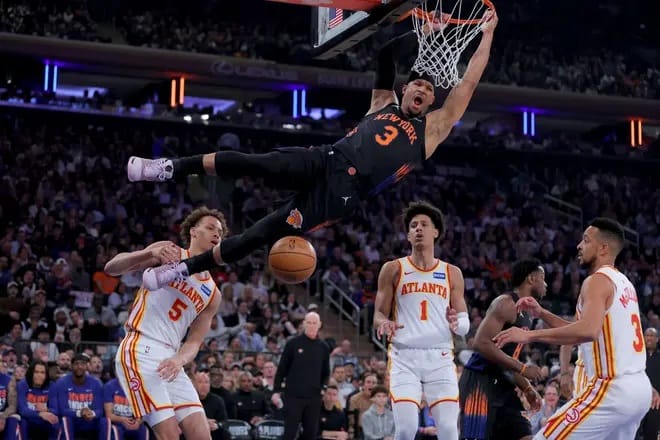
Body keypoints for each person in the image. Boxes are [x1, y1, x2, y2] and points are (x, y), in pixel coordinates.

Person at [124, 11, 499, 291]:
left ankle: (182, 270)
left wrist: (487, 35)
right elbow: (385, 55)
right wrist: (420, 33)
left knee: (258, 234)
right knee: (252, 163)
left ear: (432, 101)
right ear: (406, 89)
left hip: (342, 194)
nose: (422, 89)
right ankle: (167, 168)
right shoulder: (382, 102)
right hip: (327, 156)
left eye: (429, 90)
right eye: (417, 84)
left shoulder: (433, 129)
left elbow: (468, 83)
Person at [494, 218, 654, 440]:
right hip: (639, 388)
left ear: (603, 248)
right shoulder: (624, 282)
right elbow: (580, 330)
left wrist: (529, 335)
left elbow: (586, 331)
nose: (579, 245)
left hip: (612, 389)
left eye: (586, 240)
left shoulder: (596, 281)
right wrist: (542, 313)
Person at [104, 206, 225, 440]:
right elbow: (112, 268)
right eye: (210, 228)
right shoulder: (170, 252)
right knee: (169, 434)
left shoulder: (213, 293)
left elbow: (194, 342)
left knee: (201, 435)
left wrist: (179, 360)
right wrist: (150, 254)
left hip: (171, 359)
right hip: (140, 347)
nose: (216, 235)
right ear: (193, 231)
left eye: (220, 232)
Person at [373, 201, 469, 440]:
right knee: (406, 429)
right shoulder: (393, 269)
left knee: (448, 429)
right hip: (404, 357)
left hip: (440, 357)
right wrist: (383, 322)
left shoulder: (451, 272)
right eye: (413, 225)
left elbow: (464, 322)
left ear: (435, 232)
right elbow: (378, 314)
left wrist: (457, 323)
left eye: (424, 224)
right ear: (408, 235)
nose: (418, 229)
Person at [459, 258, 546, 440]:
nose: (545, 284)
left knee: (525, 436)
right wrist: (523, 368)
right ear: (531, 279)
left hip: (504, 385)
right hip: (480, 381)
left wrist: (526, 387)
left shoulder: (527, 314)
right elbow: (481, 343)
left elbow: (508, 359)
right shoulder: (506, 303)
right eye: (542, 278)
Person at [272, 312, 330, 440]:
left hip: (314, 397)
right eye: (309, 322)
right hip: (294, 396)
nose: (311, 325)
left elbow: (326, 372)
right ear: (304, 324)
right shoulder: (293, 344)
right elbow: (282, 368)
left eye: (314, 323)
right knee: (290, 432)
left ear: (319, 325)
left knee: (310, 433)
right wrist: (276, 390)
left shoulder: (324, 347)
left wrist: (323, 388)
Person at [51, 353, 104, 440]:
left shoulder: (96, 383)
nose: (79, 367)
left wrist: (92, 413)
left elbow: (100, 410)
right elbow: (62, 410)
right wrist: (80, 413)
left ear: (87, 366)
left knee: (105, 421)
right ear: (71, 366)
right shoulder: (62, 382)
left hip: (90, 421)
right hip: (72, 421)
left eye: (82, 364)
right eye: (76, 364)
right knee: (65, 419)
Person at [17, 360, 60, 440]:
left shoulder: (52, 386)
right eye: (36, 372)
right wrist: (40, 414)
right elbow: (22, 410)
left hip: (44, 421)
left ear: (46, 375)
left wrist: (47, 410)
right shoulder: (22, 385)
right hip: (28, 419)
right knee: (22, 422)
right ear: (31, 373)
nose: (39, 375)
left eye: (42, 372)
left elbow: (55, 410)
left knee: (55, 422)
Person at [638, 327, 660, 439]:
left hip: (655, 404)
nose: (649, 338)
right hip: (638, 401)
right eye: (647, 335)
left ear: (657, 339)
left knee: (651, 434)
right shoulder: (637, 357)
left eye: (651, 336)